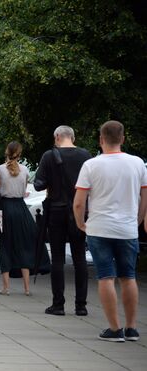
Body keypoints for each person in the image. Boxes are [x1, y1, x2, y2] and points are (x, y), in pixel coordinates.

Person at [74, 120, 147, 342]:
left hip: (99, 228)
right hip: (127, 229)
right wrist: (139, 219)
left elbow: (79, 202)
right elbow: (145, 196)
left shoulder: (91, 165)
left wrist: (80, 223)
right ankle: (132, 327)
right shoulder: (137, 164)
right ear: (123, 139)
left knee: (106, 276)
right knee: (128, 276)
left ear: (101, 139)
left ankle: (114, 329)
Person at [34, 125, 91, 316]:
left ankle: (58, 304)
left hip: (57, 210)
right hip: (79, 211)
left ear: (57, 136)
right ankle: (81, 306)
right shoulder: (85, 156)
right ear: (72, 137)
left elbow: (38, 183)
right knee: (79, 258)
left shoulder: (49, 156)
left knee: (57, 258)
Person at [0, 142, 48, 295]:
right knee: (24, 245)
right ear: (19, 154)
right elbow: (24, 188)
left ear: (6, 152)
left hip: (6, 209)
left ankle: (6, 288)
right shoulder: (25, 170)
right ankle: (26, 288)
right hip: (21, 208)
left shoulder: (0, 169)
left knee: (5, 245)